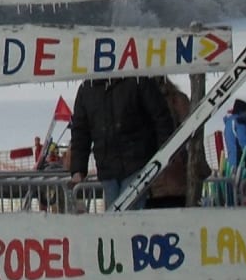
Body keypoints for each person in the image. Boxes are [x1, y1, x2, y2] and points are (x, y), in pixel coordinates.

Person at [67, 74, 175, 209]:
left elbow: (161, 118)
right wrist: (78, 170)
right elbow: (80, 133)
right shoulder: (87, 89)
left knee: (125, 213)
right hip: (111, 169)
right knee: (119, 214)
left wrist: (164, 155)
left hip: (136, 164)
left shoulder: (137, 80)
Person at [147, 76, 210, 208]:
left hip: (166, 173)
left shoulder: (174, 100)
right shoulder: (175, 99)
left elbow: (191, 133)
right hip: (166, 174)